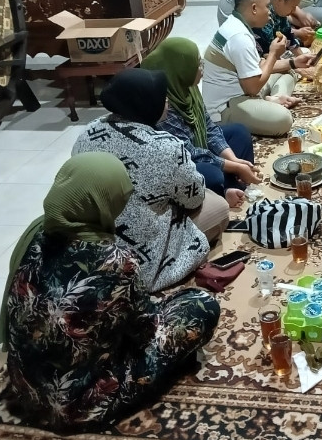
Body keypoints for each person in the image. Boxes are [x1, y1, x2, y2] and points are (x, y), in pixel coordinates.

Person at [0, 153, 220, 430]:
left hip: (27, 392)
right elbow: (146, 331)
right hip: (79, 407)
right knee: (200, 305)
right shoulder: (116, 261)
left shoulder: (35, 235)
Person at [73, 69, 229, 291]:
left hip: (94, 243)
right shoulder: (164, 146)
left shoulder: (88, 132)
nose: (166, 101)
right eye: (161, 97)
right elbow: (193, 199)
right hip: (139, 258)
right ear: (144, 104)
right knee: (219, 207)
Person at [141, 37, 260, 209]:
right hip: (179, 160)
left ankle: (231, 188)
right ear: (181, 69)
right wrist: (234, 167)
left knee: (239, 132)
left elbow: (209, 127)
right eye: (197, 64)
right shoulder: (163, 101)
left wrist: (235, 161)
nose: (201, 68)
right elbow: (188, 153)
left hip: (196, 145)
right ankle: (221, 195)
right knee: (211, 175)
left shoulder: (186, 86)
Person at [203, 0, 313, 136]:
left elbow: (259, 65)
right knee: (283, 119)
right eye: (267, 6)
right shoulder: (238, 37)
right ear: (254, 8)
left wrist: (293, 62)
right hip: (226, 107)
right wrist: (274, 54)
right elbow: (252, 88)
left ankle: (273, 99)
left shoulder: (238, 25)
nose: (270, 12)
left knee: (288, 72)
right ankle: (272, 104)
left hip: (246, 90)